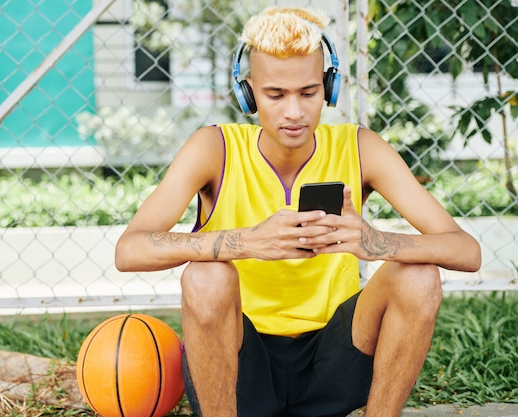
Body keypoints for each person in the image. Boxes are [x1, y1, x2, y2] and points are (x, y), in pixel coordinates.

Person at [115, 6, 481, 417]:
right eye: (275, 95)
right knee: (206, 275)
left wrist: (373, 241)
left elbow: (466, 251)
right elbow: (129, 250)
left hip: (334, 359)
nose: (294, 112)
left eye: (308, 93)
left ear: (329, 87)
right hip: (241, 364)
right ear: (248, 92)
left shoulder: (359, 147)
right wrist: (247, 242)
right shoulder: (213, 149)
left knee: (418, 274)